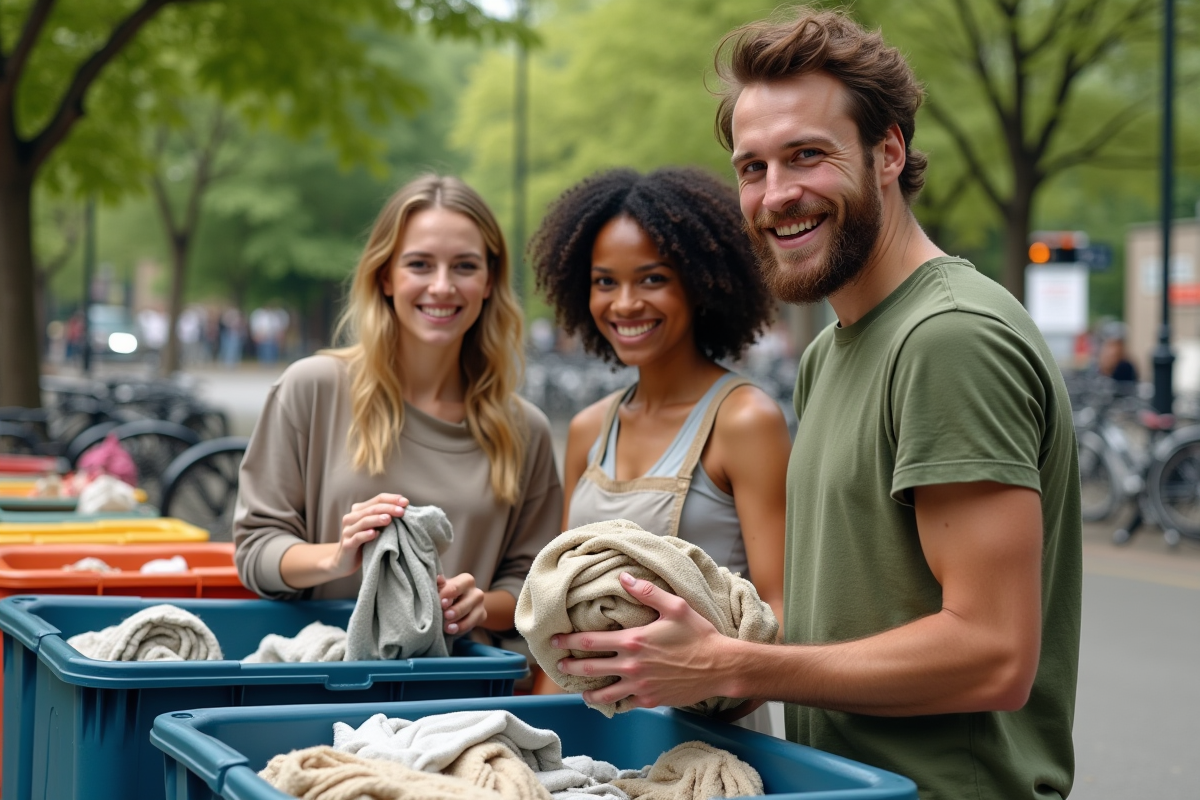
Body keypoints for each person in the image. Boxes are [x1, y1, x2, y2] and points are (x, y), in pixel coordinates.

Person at [549, 10, 1081, 800]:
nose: (777, 195)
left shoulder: (949, 340)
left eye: (807, 156)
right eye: (753, 167)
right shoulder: (833, 352)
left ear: (889, 151)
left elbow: (994, 655)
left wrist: (731, 662)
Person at [234, 174, 564, 647]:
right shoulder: (310, 389)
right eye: (420, 264)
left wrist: (480, 605)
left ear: (490, 280)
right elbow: (255, 550)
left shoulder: (524, 428)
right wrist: (336, 556)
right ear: (385, 275)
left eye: (465, 266)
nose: (443, 286)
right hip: (324, 685)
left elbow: (535, 585)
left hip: (460, 700)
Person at [528, 168, 792, 731]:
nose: (624, 304)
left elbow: (782, 607)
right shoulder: (587, 430)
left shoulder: (745, 421)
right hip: (590, 736)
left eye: (652, 279)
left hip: (712, 739)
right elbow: (558, 605)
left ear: (701, 282)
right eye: (605, 282)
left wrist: (711, 692)